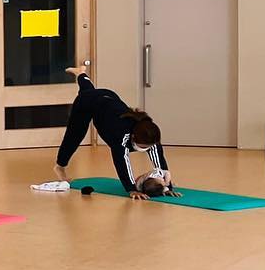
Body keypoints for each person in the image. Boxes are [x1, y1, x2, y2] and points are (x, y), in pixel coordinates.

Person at [53, 67, 180, 199]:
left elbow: (160, 163)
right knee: (75, 134)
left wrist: (167, 187)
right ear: (133, 137)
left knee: (89, 91)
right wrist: (131, 189)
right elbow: (122, 162)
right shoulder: (121, 135)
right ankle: (60, 166)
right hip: (89, 103)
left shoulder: (150, 134)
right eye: (142, 147)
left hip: (109, 98)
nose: (145, 149)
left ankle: (81, 73)